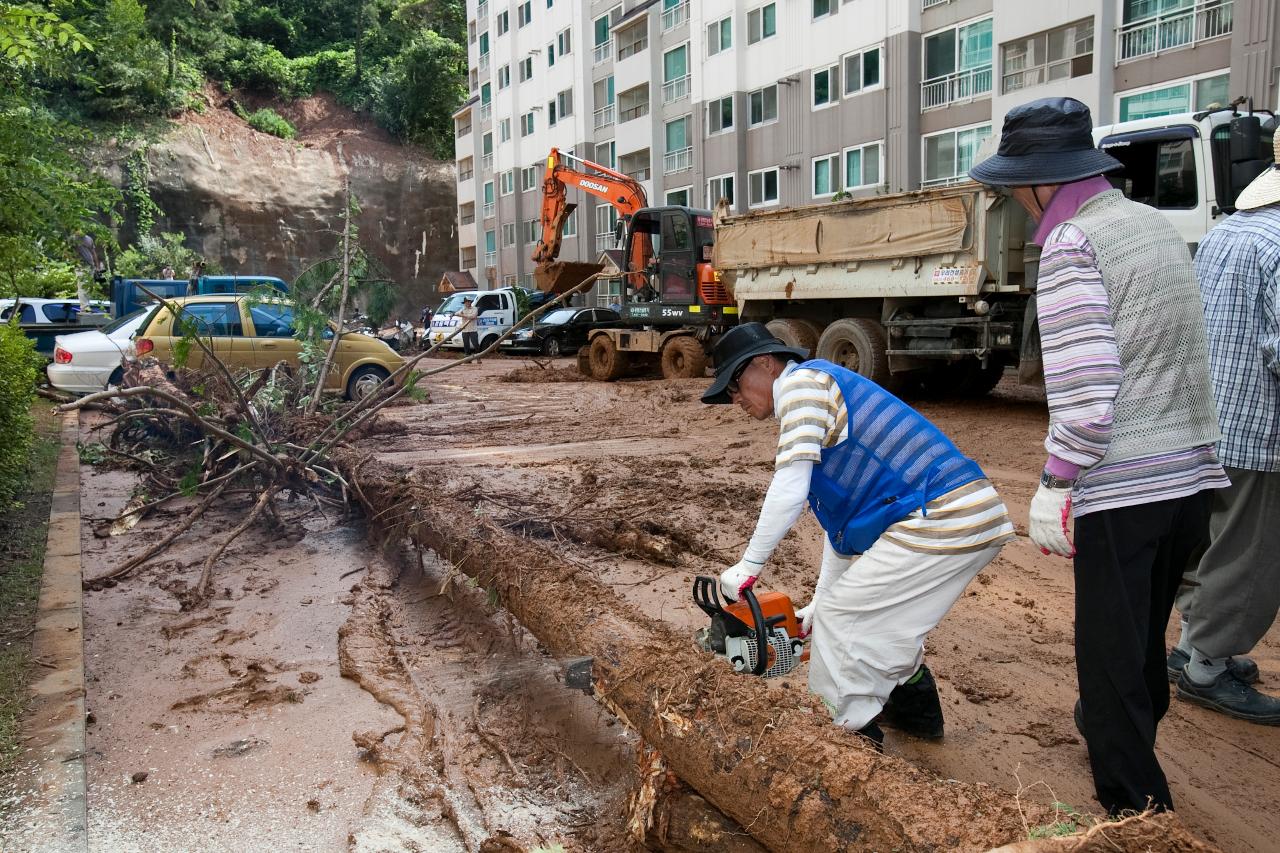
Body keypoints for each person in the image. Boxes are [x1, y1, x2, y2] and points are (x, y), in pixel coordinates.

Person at [969, 97, 1228, 815]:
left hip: (1126, 486)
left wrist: (1056, 480)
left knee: (1107, 664)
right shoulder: (1153, 226)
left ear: (1041, 182)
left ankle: (1140, 816)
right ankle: (1122, 732)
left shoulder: (1072, 245)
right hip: (1189, 480)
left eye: (1018, 187)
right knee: (1142, 646)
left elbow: (1086, 390)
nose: (1018, 202)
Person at [703, 323, 1015, 749]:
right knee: (885, 624)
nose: (735, 399)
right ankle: (918, 715)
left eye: (735, 384)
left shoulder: (802, 386)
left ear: (765, 363)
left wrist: (749, 565)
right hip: (963, 512)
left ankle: (843, 742)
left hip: (940, 511)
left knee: (845, 620)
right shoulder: (817, 398)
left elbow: (789, 486)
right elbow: (843, 532)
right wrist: (819, 600)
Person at [1165, 132, 1280, 724]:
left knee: (1213, 540)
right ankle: (1208, 664)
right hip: (1263, 428)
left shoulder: (1226, 234)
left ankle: (1190, 648)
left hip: (1211, 417)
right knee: (1252, 551)